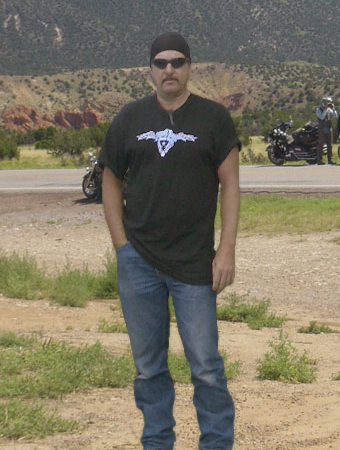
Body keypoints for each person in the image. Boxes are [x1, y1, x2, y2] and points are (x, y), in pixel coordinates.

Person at [99, 32, 240, 450]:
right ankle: (157, 442)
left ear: (190, 67)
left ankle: (216, 443)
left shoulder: (213, 118)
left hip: (194, 263)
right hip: (138, 261)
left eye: (177, 61)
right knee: (148, 368)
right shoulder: (130, 118)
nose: (169, 70)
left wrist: (226, 249)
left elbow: (230, 186)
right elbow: (110, 178)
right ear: (150, 70)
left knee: (206, 367)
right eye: (160, 63)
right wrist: (121, 245)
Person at [315, 96, 337, 165]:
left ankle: (330, 160)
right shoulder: (318, 109)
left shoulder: (329, 109)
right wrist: (325, 109)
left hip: (329, 128)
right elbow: (321, 117)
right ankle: (319, 160)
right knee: (321, 144)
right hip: (322, 128)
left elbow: (335, 116)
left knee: (330, 145)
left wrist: (333, 108)